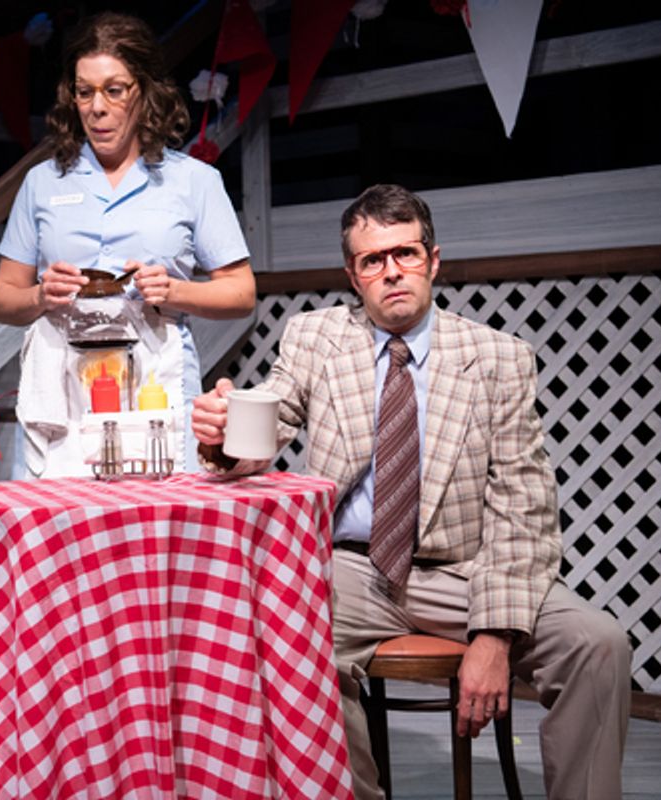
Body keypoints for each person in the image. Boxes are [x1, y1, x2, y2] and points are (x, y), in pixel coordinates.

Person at [191, 184, 631, 799]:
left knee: (598, 645)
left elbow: (523, 506)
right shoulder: (315, 339)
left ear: (434, 260)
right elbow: (269, 424)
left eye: (406, 253)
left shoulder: (498, 358)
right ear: (353, 274)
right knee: (285, 640)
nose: (392, 271)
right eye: (373, 260)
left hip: (464, 569)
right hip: (353, 569)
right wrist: (225, 432)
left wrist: (493, 635)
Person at [0, 11, 256, 477]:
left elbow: (241, 294)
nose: (97, 106)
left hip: (156, 380)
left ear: (145, 91)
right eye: (85, 90)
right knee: (62, 527)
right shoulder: (42, 183)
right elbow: (3, 300)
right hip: (63, 384)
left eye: (115, 89)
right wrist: (38, 295)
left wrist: (175, 291)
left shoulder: (193, 180)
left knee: (159, 523)